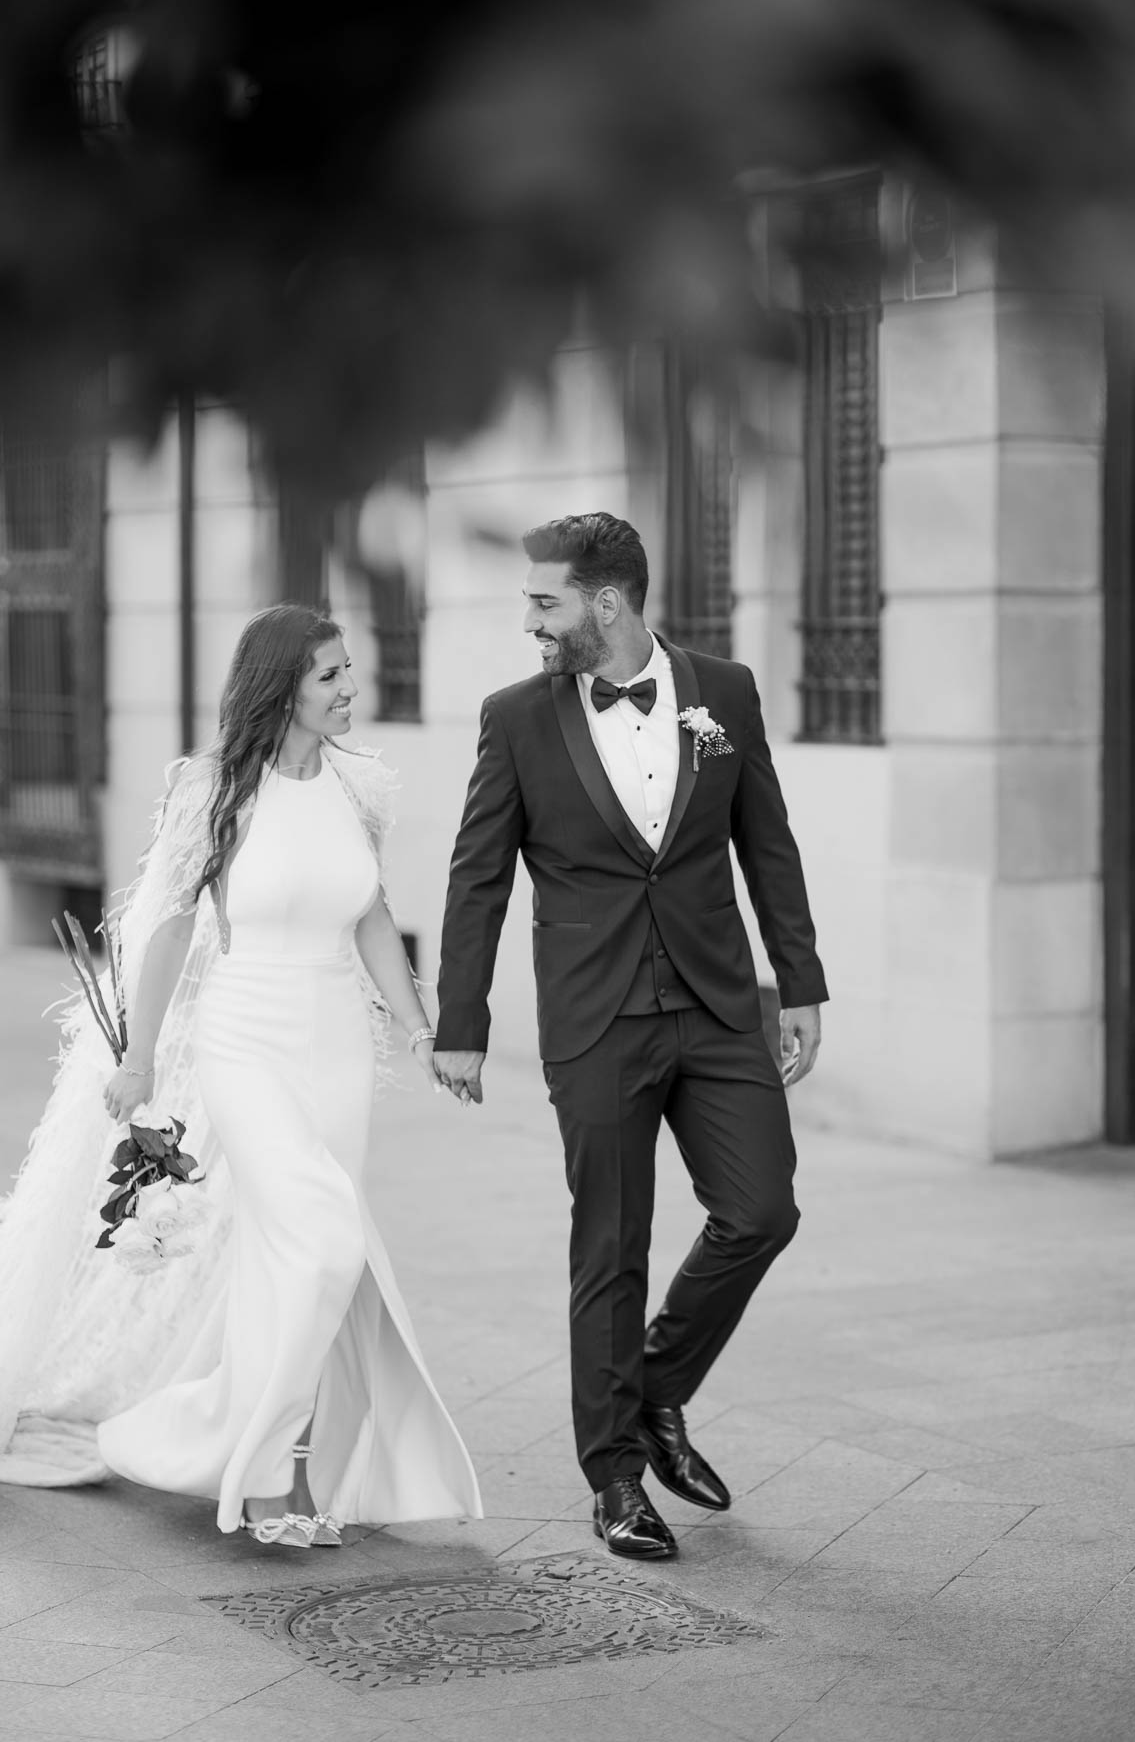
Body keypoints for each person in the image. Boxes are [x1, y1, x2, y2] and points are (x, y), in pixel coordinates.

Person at [0, 603, 480, 1546]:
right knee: (323, 1239)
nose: (351, 689)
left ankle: (277, 1461)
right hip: (245, 1038)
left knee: (284, 1253)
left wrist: (419, 1028)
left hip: (334, 1041)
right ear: (282, 688)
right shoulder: (214, 788)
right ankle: (259, 1472)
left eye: (349, 671)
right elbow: (174, 923)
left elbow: (373, 916)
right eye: (331, 675)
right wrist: (138, 1059)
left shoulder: (360, 788)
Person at [433, 513, 827, 1561]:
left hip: (713, 997)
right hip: (595, 1011)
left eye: (544, 601)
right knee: (611, 1241)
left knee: (761, 1209)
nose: (530, 620)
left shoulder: (724, 692)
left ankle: (655, 1389)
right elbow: (478, 877)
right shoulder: (516, 718)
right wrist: (459, 1022)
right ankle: (613, 1477)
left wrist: (800, 982)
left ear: (606, 604)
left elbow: (768, 845)